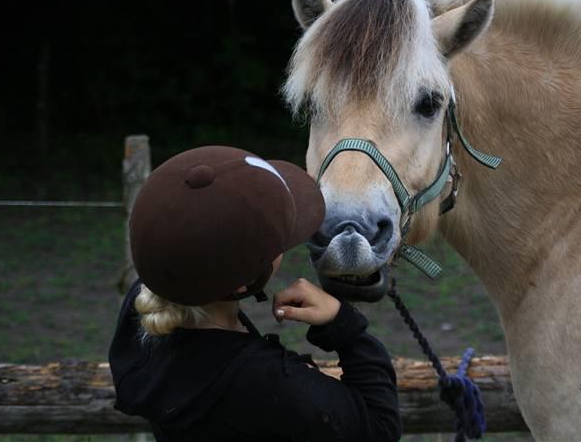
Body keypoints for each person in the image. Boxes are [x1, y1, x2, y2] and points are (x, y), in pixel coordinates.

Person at [108, 145, 401, 442]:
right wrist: (344, 326)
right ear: (242, 284)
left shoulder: (144, 310)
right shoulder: (266, 383)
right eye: (279, 239)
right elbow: (380, 428)